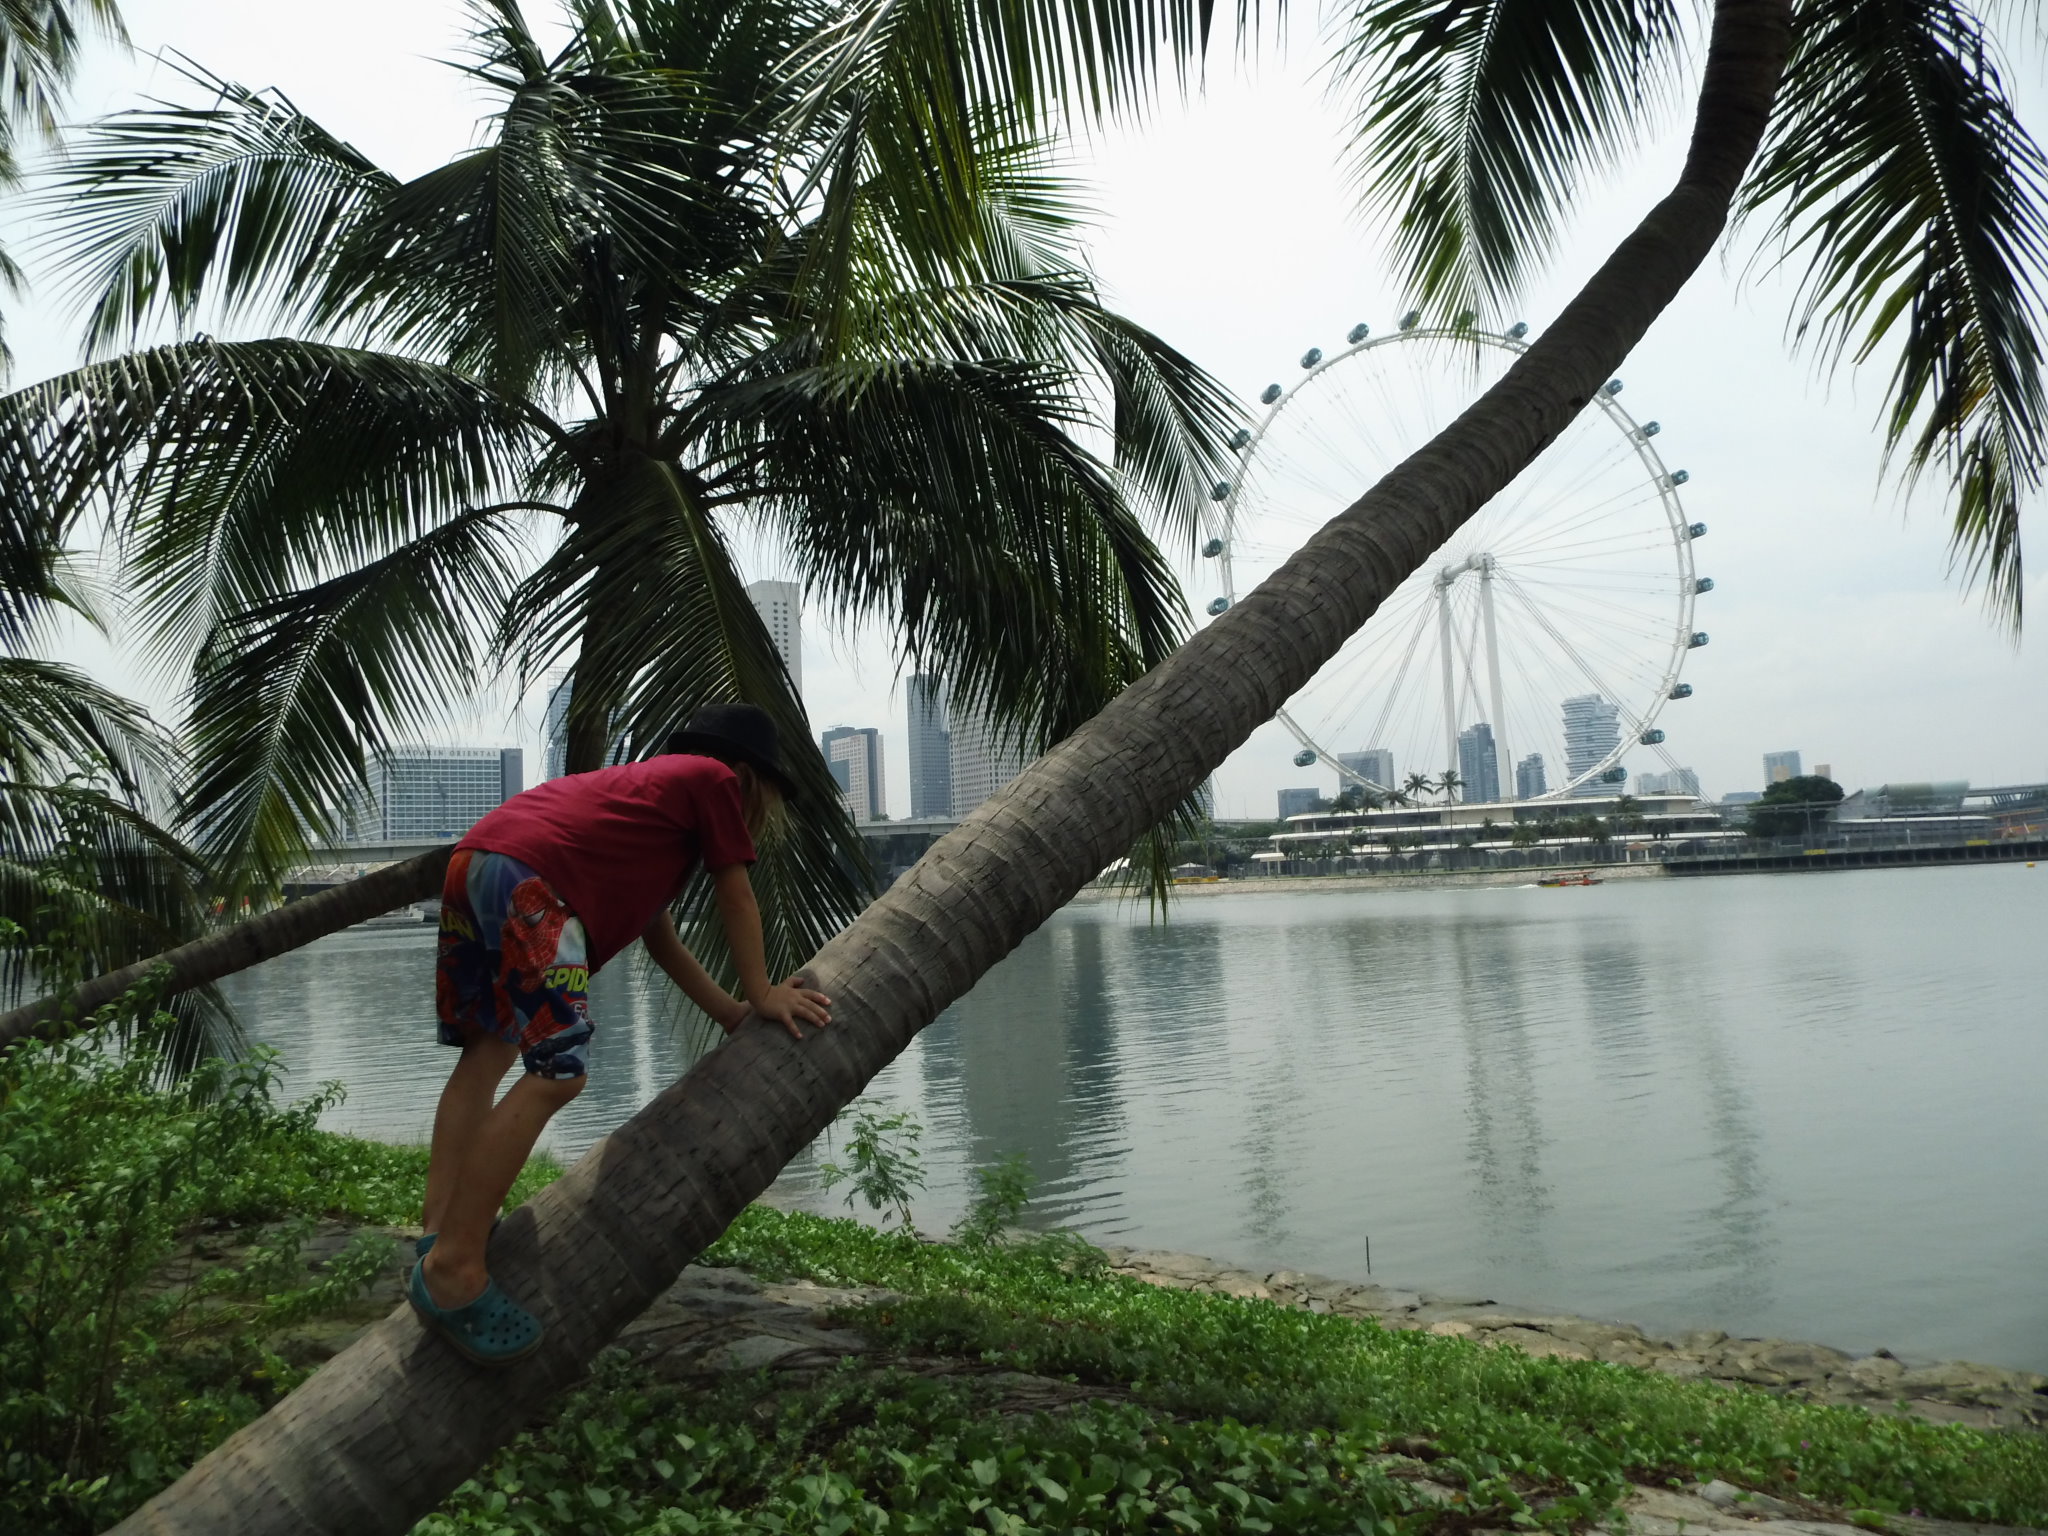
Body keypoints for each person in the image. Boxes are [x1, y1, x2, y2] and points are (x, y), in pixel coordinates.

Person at [409, 702, 831, 1365]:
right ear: (748, 778)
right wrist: (763, 992)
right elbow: (737, 895)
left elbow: (659, 939)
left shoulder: (643, 813)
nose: (761, 817)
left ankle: (437, 1231)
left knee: (487, 1053)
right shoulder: (713, 781)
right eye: (768, 799)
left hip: (478, 862)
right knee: (557, 1074)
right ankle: (454, 1269)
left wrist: (728, 1011)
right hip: (531, 883)